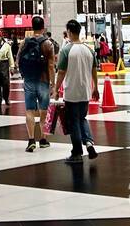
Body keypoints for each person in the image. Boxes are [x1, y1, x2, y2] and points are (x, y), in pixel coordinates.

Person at [55, 20, 97, 164]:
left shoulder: (66, 50)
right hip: (85, 91)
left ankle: (77, 152)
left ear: (69, 32)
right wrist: (96, 87)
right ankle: (89, 143)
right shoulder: (89, 50)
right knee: (82, 118)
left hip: (71, 91)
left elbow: (61, 71)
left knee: (73, 121)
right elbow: (94, 70)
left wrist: (55, 89)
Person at [17, 16, 55, 151]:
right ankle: (43, 139)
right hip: (43, 80)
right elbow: (51, 65)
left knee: (29, 111)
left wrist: (24, 75)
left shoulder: (24, 42)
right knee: (43, 112)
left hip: (29, 80)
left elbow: (18, 61)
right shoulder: (48, 43)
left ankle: (31, 140)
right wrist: (53, 84)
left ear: (31, 27)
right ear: (43, 27)